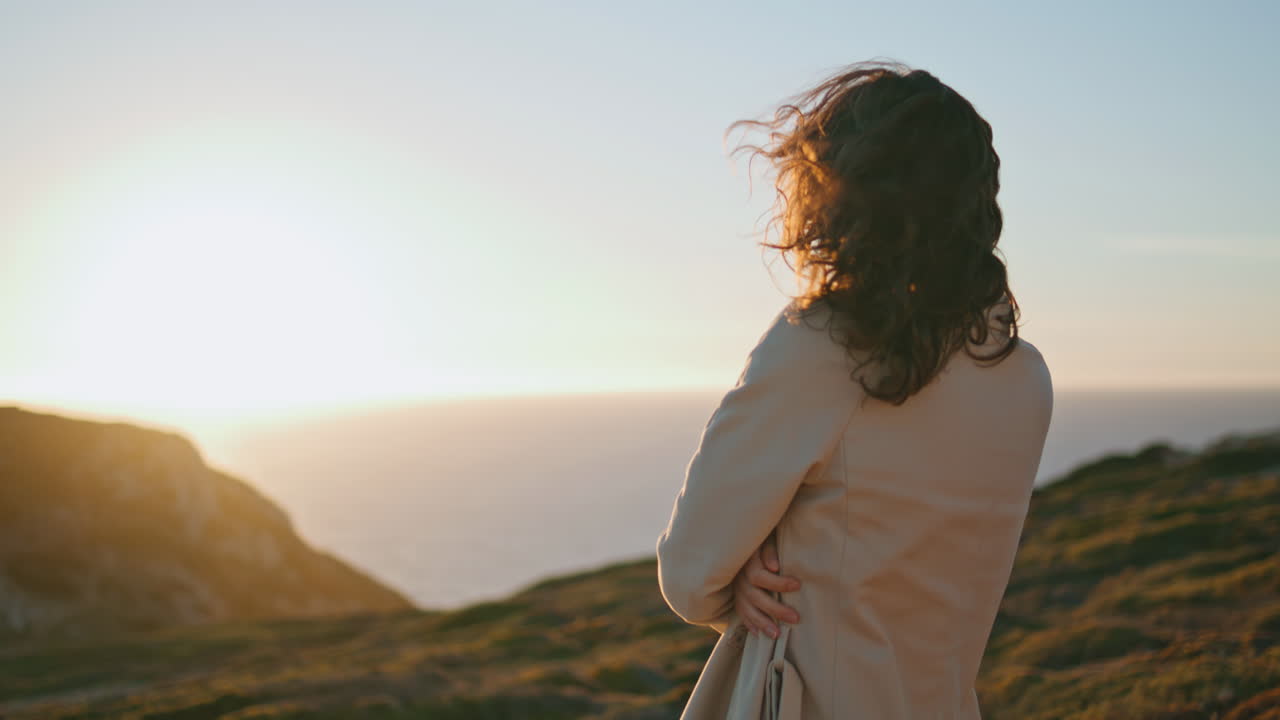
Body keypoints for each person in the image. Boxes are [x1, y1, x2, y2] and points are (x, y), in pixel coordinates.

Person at [655, 60, 1054, 719]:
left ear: (843, 195)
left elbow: (690, 575)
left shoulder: (822, 350)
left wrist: (742, 575)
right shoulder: (1024, 376)